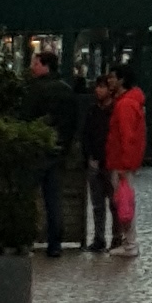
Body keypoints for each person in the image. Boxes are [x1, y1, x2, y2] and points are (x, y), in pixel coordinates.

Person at [32, 49, 79, 256]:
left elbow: (27, 117)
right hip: (58, 150)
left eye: (36, 63)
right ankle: (55, 243)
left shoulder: (36, 90)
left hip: (38, 149)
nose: (32, 67)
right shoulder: (66, 90)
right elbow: (73, 122)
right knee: (53, 198)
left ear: (45, 66)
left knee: (29, 194)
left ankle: (26, 237)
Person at [107, 66, 147, 245]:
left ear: (121, 80)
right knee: (125, 200)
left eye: (112, 77)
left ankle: (129, 241)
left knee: (124, 201)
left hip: (121, 162)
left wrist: (125, 164)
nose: (110, 81)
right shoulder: (128, 102)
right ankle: (128, 240)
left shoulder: (125, 104)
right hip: (122, 160)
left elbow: (127, 136)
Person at [82, 73, 118, 248]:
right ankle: (99, 237)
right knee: (97, 204)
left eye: (102, 87)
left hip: (110, 161)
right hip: (95, 160)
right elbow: (86, 134)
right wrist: (88, 155)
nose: (98, 90)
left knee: (114, 203)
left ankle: (116, 237)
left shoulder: (115, 110)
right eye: (97, 87)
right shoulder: (92, 110)